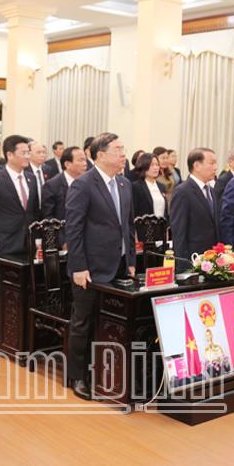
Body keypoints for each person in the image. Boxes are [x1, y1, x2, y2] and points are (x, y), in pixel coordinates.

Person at [64, 132, 136, 400]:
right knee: (83, 322)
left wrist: (131, 261)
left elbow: (128, 225)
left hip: (119, 265)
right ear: (101, 155)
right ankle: (77, 376)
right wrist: (78, 266)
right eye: (118, 149)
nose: (123, 154)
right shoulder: (83, 184)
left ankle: (106, 373)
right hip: (90, 268)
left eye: (123, 148)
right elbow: (74, 229)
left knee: (111, 322)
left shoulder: (125, 184)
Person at [0, 135, 39, 344]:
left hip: (28, 243)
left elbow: (34, 212)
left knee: (26, 287)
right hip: (4, 243)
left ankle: (19, 333)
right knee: (0, 287)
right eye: (24, 152)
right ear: (10, 155)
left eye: (28, 152)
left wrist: (38, 240)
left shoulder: (31, 178)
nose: (28, 156)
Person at [170, 148, 220, 271]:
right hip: (193, 259)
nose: (216, 167)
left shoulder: (211, 190)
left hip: (211, 259)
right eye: (211, 163)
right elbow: (179, 233)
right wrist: (183, 266)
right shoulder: (182, 192)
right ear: (197, 166)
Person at [41, 146, 86, 224]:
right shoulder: (52, 185)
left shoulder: (88, 182)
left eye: (85, 160)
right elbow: (48, 217)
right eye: (80, 160)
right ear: (67, 164)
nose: (85, 163)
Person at [130, 152, 167, 219]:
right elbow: (133, 212)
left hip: (161, 224)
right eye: (152, 165)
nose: (155, 168)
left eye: (157, 165)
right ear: (144, 166)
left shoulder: (161, 186)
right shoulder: (136, 186)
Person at [26, 139, 51, 204]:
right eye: (38, 152)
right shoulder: (24, 170)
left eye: (44, 152)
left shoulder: (48, 170)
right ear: (29, 154)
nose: (42, 155)